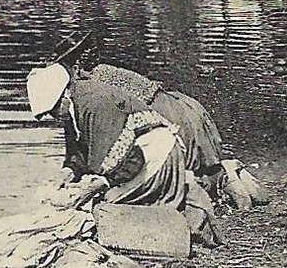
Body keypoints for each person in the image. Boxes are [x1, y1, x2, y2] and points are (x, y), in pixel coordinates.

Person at [26, 60, 228, 244]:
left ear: (63, 95)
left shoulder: (95, 104)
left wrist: (96, 186)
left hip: (156, 155)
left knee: (108, 204)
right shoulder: (74, 106)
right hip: (136, 156)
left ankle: (183, 216)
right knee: (97, 201)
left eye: (53, 111)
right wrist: (67, 173)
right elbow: (78, 152)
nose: (54, 117)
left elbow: (129, 160)